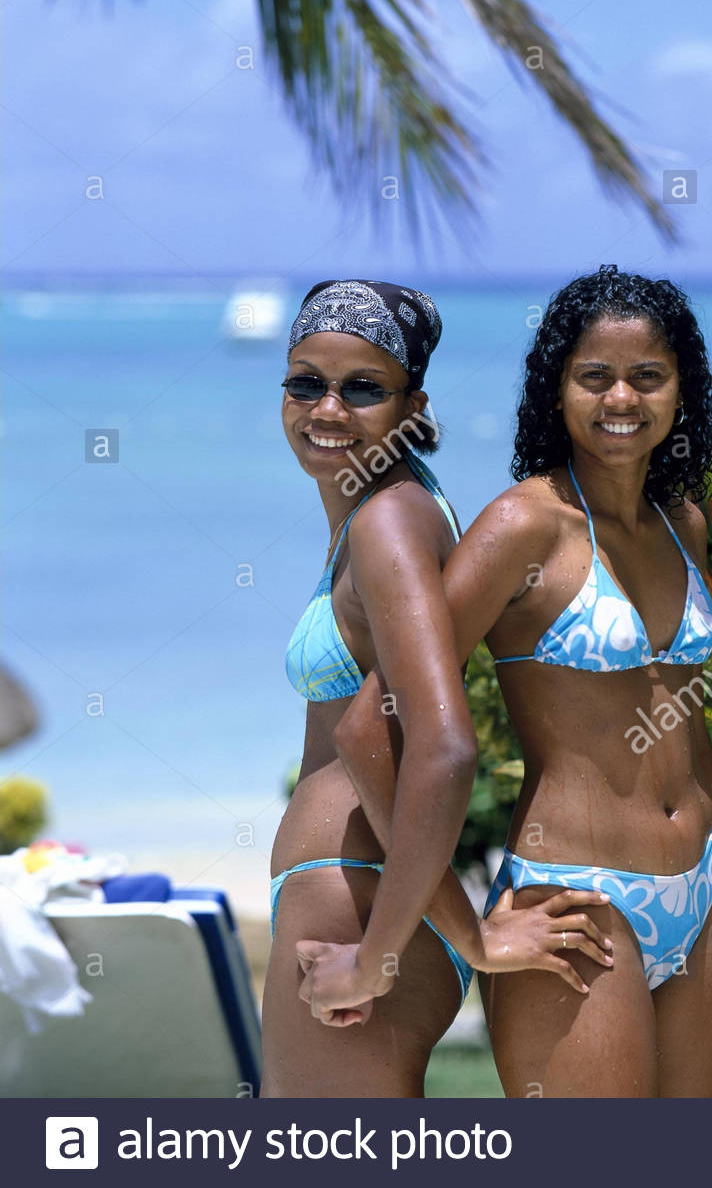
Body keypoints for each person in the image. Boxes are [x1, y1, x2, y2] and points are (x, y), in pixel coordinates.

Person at [308, 264, 712, 1096]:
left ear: (681, 391)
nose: (620, 399)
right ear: (556, 391)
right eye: (593, 377)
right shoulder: (523, 526)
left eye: (647, 378)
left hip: (703, 895)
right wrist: (463, 931)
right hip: (576, 904)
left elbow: (690, 741)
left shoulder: (684, 523)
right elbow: (372, 731)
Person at [263, 278, 612, 1098]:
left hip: (360, 905)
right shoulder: (386, 509)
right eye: (305, 382)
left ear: (409, 402)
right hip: (371, 898)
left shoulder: (389, 520)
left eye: (362, 389)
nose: (326, 409)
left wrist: (402, 948)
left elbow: (443, 745)